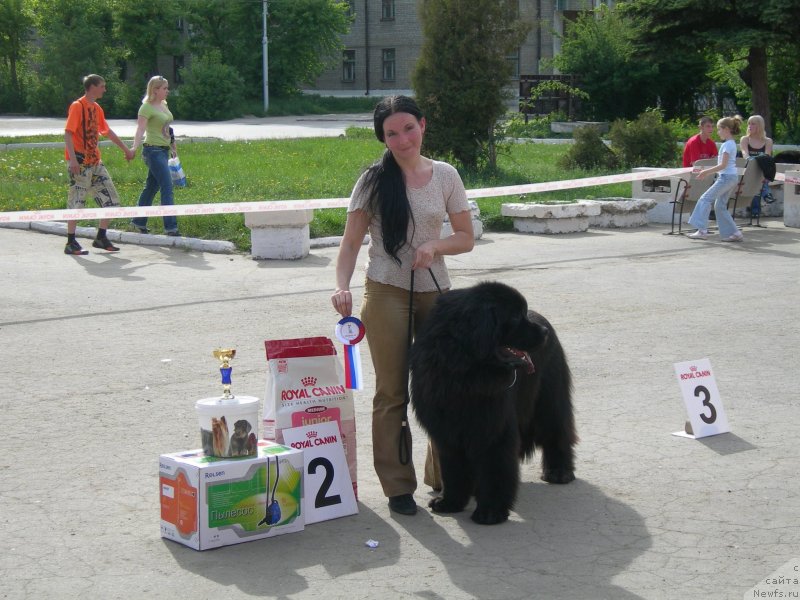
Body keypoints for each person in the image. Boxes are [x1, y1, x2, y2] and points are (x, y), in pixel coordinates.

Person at [330, 95, 475, 516]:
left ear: (423, 126)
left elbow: (465, 237)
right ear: (383, 138)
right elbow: (351, 242)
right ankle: (397, 486)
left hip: (436, 289)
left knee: (445, 389)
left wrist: (436, 244)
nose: (402, 139)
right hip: (387, 289)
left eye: (408, 128)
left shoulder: (446, 175)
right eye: (391, 133)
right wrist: (341, 287)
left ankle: (446, 477)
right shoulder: (373, 180)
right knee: (392, 391)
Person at [63, 74, 134, 255]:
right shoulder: (77, 106)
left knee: (111, 200)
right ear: (92, 87)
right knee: (77, 202)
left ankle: (101, 238)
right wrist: (72, 160)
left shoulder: (97, 108)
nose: (104, 89)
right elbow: (68, 134)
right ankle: (71, 242)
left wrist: (126, 149)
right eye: (102, 86)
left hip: (95, 162)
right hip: (80, 163)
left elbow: (106, 131)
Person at [130, 76, 181, 236]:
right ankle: (171, 227)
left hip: (164, 150)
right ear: (155, 90)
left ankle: (138, 222)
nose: (167, 91)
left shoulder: (164, 105)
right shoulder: (146, 108)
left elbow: (167, 127)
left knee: (151, 187)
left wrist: (173, 145)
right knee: (167, 187)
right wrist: (134, 148)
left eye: (167, 88)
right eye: (165, 88)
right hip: (152, 151)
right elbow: (140, 130)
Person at [687, 115, 745, 242]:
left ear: (726, 129)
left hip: (725, 178)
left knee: (705, 199)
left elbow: (723, 165)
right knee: (720, 206)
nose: (717, 132)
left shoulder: (727, 145)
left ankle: (702, 230)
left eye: (719, 129)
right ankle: (735, 232)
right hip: (731, 178)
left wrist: (706, 172)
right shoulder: (731, 144)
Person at [739, 115, 774, 217]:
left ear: (760, 126)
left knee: (759, 178)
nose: (750, 126)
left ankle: (755, 211)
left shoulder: (768, 141)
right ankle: (766, 194)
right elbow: (745, 154)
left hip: (762, 170)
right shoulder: (745, 139)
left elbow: (767, 156)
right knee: (756, 179)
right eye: (749, 123)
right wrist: (755, 160)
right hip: (748, 169)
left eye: (753, 124)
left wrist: (759, 162)